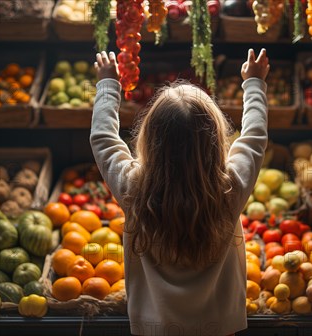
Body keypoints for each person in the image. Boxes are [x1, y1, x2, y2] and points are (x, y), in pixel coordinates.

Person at [90, 48, 269, 336]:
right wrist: (254, 83)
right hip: (219, 326)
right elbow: (254, 137)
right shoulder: (229, 189)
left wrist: (108, 84)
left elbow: (103, 139)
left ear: (149, 138)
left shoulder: (134, 188)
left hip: (155, 327)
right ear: (214, 141)